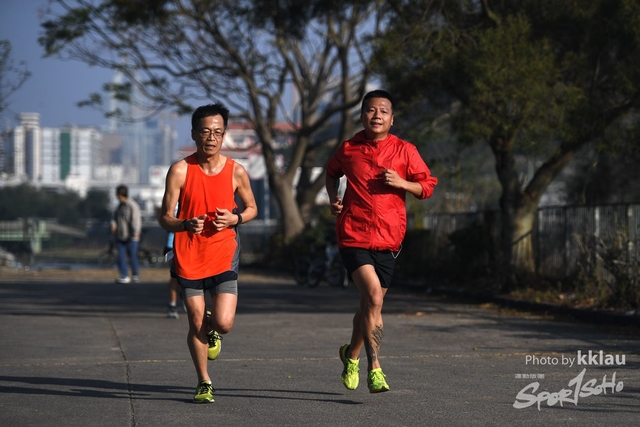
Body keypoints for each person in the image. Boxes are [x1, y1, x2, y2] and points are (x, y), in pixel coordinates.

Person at [325, 90, 437, 394]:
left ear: (392, 118)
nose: (377, 116)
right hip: (353, 234)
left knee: (368, 306)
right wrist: (333, 198)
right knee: (374, 298)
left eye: (383, 111)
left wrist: (402, 183)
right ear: (362, 115)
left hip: (389, 238)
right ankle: (375, 368)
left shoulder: (405, 150)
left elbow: (427, 186)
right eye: (371, 110)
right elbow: (331, 172)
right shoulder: (349, 148)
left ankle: (351, 355)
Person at [158, 102, 258, 404]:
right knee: (196, 321)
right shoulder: (179, 170)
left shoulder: (236, 172)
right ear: (194, 134)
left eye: (217, 132)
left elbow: (252, 208)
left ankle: (215, 329)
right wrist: (184, 224)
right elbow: (164, 217)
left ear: (224, 135)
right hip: (188, 256)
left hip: (223, 253)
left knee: (223, 323)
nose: (211, 138)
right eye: (205, 132)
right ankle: (204, 381)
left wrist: (235, 218)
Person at [110, 184, 142, 284]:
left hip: (131, 236)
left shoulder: (132, 205)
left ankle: (135, 275)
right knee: (120, 256)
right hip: (120, 236)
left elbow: (136, 220)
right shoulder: (119, 206)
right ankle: (124, 276)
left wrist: (136, 232)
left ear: (121, 194)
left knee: (132, 256)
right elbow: (114, 218)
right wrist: (113, 225)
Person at [163, 232, 182, 319]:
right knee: (175, 276)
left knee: (191, 277)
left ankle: (186, 297)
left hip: (193, 245)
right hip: (172, 245)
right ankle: (172, 305)